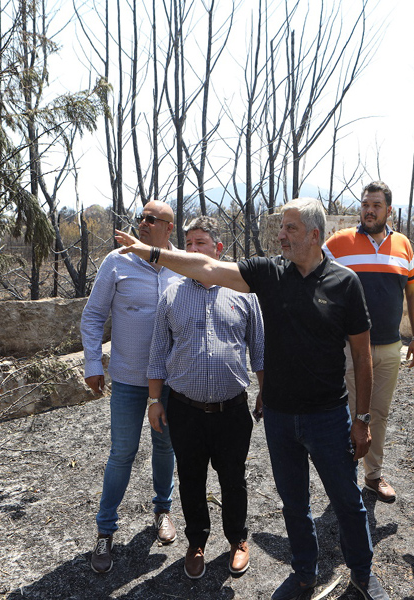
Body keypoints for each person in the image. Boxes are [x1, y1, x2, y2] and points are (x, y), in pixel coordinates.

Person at [115, 198, 389, 600]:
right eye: (281, 227)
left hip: (329, 416)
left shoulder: (344, 282)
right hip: (280, 418)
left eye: (290, 228)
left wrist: (362, 419)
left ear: (314, 234)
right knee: (294, 504)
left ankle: (363, 576)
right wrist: (151, 252)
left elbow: (363, 356)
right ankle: (304, 575)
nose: (281, 235)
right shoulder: (269, 273)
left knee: (347, 501)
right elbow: (207, 268)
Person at [146, 216, 265, 580]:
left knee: (233, 479)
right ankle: (196, 542)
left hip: (232, 410)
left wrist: (265, 391)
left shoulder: (245, 293)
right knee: (191, 479)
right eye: (188, 244)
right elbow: (157, 352)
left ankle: (237, 540)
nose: (193, 249)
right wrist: (154, 400)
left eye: (201, 243)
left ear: (219, 249)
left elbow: (260, 350)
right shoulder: (171, 295)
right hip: (186, 410)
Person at [80, 200, 182, 574]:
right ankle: (105, 530)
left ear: (169, 227)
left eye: (152, 219)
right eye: (141, 217)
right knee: (122, 452)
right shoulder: (117, 261)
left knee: (165, 446)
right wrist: (93, 363)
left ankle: (162, 510)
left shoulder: (181, 264)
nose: (143, 223)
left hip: (169, 381)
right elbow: (93, 315)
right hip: (126, 378)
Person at [323, 180, 414, 504]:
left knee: (378, 414)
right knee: (350, 413)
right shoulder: (339, 243)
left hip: (391, 347)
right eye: (365, 204)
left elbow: (413, 293)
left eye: (376, 205)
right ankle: (345, 478)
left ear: (388, 210)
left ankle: (373, 476)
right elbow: (313, 278)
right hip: (350, 348)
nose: (369, 211)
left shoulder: (403, 245)